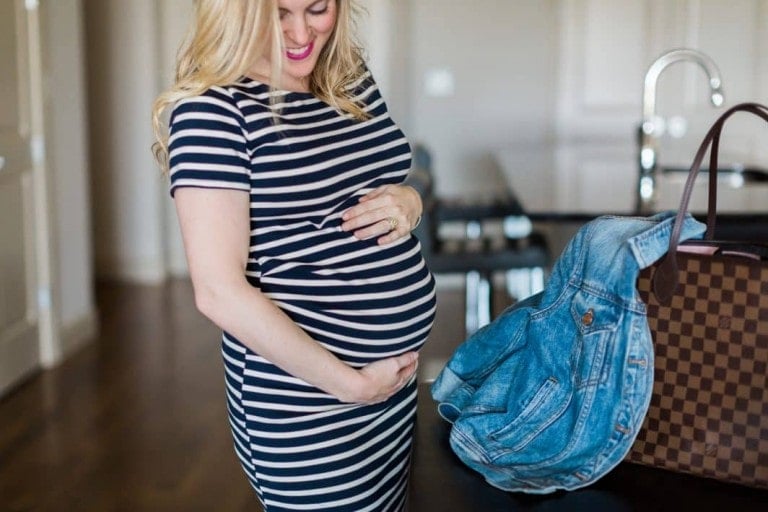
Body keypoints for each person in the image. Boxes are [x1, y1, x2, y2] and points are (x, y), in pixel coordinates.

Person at [151, 1, 436, 510]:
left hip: (388, 387)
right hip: (306, 403)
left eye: (317, 8)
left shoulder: (346, 77)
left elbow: (384, 178)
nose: (302, 31)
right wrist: (350, 385)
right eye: (278, 13)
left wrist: (411, 202)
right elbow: (218, 291)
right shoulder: (213, 111)